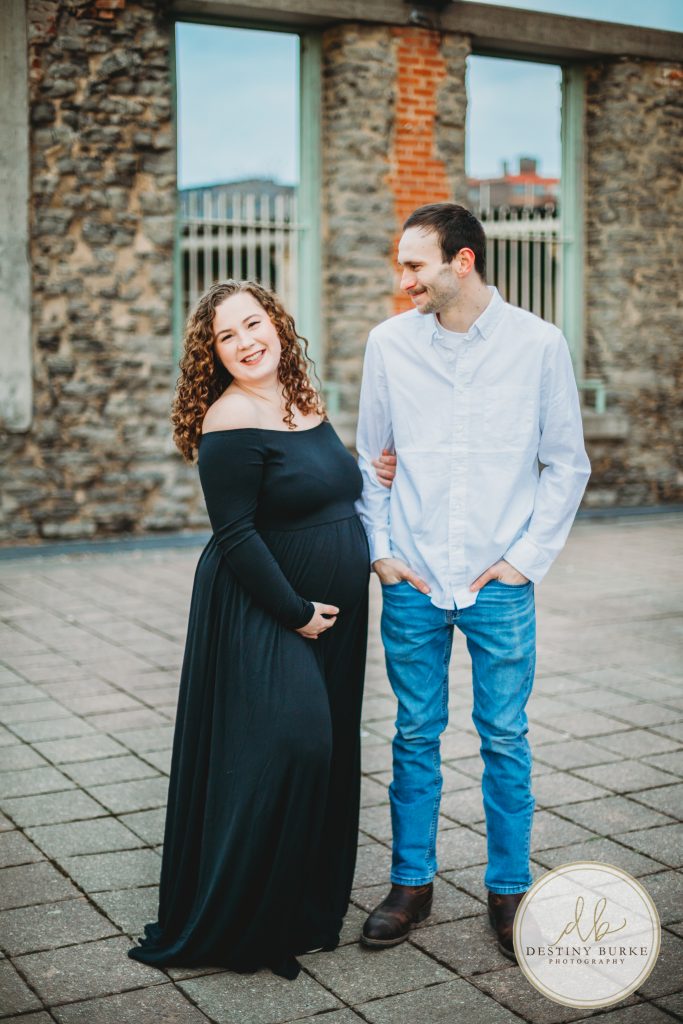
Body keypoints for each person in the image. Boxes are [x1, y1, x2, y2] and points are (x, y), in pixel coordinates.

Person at [355, 203, 591, 960]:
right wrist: (382, 554)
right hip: (413, 580)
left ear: (461, 262)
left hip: (499, 584)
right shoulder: (387, 345)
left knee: (505, 738)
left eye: (415, 266)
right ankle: (410, 883)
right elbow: (371, 458)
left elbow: (566, 462)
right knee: (413, 734)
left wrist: (524, 560)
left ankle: (508, 888)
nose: (403, 281)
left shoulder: (538, 345)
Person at [129, 280, 373, 980]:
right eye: (226, 337)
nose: (245, 342)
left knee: (324, 755)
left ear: (277, 324)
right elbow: (234, 534)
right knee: (293, 745)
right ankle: (243, 917)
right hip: (262, 607)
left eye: (252, 324)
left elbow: (330, 486)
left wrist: (367, 470)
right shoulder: (228, 420)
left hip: (336, 614)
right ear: (214, 356)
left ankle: (299, 908)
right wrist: (295, 613)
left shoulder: (305, 402)